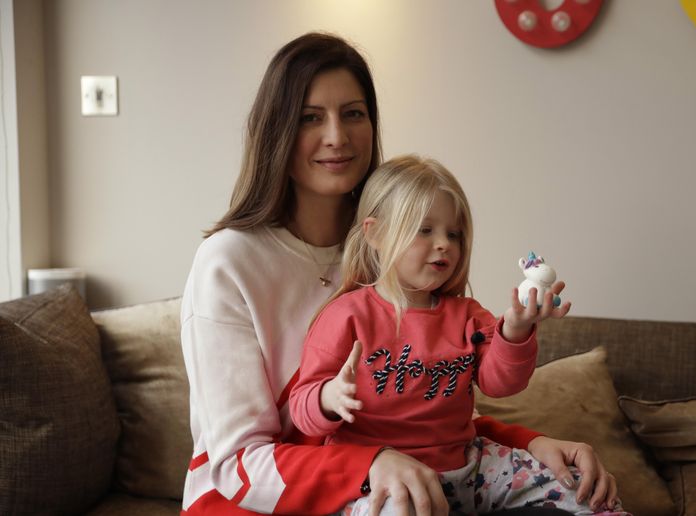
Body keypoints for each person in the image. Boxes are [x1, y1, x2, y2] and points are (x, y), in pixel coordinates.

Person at [180, 32, 619, 515]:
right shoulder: (228, 261)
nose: (337, 136)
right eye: (310, 117)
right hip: (253, 502)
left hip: (393, 482)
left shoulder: (401, 246)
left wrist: (531, 444)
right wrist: (370, 464)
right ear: (276, 130)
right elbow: (236, 465)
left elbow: (421, 406)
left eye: (354, 113)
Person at [289, 155, 626, 516]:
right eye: (425, 230)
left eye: (453, 234)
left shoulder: (467, 315)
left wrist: (515, 330)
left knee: (578, 486)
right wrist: (327, 397)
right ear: (376, 234)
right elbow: (301, 409)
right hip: (385, 480)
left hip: (472, 467)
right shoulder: (346, 316)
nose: (444, 244)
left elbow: (500, 383)